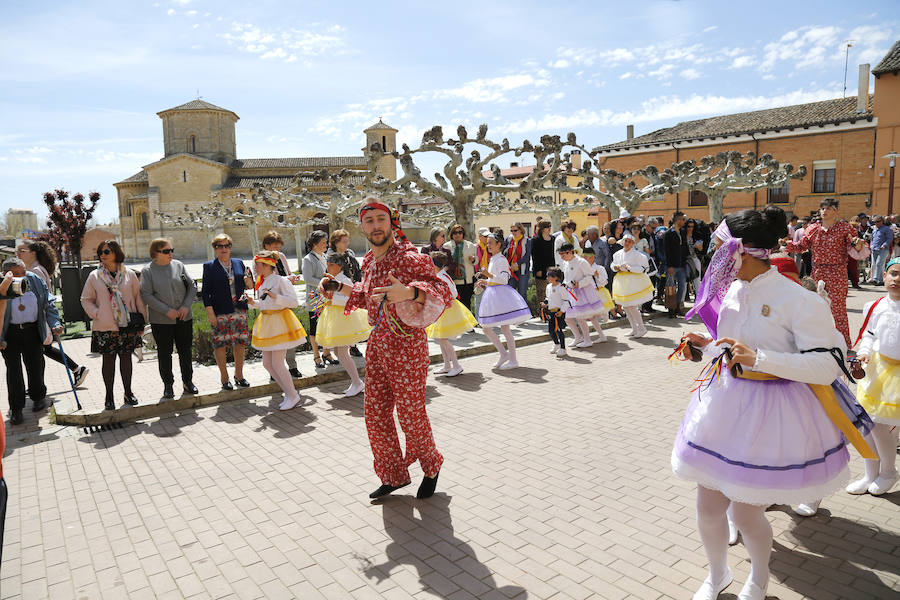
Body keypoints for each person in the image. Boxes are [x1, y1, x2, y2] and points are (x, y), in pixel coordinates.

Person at [673, 206, 875, 600]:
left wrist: (761, 360)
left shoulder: (797, 300)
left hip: (773, 414)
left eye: (718, 248)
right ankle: (717, 575)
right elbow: (732, 345)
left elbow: (829, 364)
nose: (713, 257)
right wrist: (707, 347)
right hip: (723, 407)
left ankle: (759, 577)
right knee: (709, 508)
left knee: (747, 512)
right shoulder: (732, 290)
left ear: (740, 251)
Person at [319, 200, 452, 500]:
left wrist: (410, 291)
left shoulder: (408, 257)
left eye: (381, 219)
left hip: (407, 345)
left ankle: (431, 465)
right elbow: (370, 297)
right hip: (378, 345)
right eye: (369, 221)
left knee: (410, 414)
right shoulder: (368, 261)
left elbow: (443, 291)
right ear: (362, 226)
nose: (376, 226)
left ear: (392, 222)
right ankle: (393, 474)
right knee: (375, 415)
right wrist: (339, 289)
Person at [847, 258, 900, 496]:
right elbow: (869, 334)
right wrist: (864, 353)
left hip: (896, 378)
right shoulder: (875, 305)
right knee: (865, 425)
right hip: (876, 372)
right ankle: (870, 473)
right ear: (885, 276)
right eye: (893, 273)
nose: (896, 279)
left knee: (883, 427)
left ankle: (888, 471)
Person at [784, 199, 860, 346]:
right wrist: (785, 245)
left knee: (838, 311)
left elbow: (855, 247)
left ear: (836, 211)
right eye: (822, 208)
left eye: (829, 208)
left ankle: (844, 345)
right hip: (818, 272)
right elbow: (801, 246)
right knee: (814, 307)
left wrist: (858, 244)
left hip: (838, 271)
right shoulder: (813, 229)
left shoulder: (845, 228)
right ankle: (815, 342)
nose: (824, 211)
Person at [81, 241, 145, 410]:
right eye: (100, 251)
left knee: (126, 359)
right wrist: (97, 314)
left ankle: (128, 393)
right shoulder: (94, 276)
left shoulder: (130, 274)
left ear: (116, 252)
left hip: (127, 325)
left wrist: (141, 321)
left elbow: (138, 298)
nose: (103, 254)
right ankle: (109, 396)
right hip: (105, 325)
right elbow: (85, 299)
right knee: (108, 361)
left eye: (107, 251)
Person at [16, 240, 89, 387]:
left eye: (21, 251)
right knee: (45, 349)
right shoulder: (36, 269)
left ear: (33, 253)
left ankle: (40, 385)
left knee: (42, 350)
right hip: (41, 318)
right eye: (16, 252)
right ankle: (75, 369)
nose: (18, 254)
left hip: (39, 319)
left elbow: (42, 297)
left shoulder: (35, 271)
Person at [244, 251, 307, 410]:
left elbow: (293, 302)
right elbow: (264, 304)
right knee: (267, 363)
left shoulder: (280, 281)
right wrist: (253, 302)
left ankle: (293, 395)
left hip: (280, 322)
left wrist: (275, 297)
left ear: (267, 265)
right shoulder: (262, 281)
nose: (255, 268)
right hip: (267, 323)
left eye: (257, 265)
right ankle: (289, 392)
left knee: (277, 363)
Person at [1, 258, 61, 423]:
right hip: (10, 333)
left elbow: (48, 303)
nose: (22, 277)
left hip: (32, 330)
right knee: (13, 371)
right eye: (16, 274)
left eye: (23, 272)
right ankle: (16, 408)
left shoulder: (35, 280)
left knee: (35, 364)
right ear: (6, 274)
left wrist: (55, 323)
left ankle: (38, 397)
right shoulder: (2, 285)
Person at [140, 238, 198, 400]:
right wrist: (167, 311)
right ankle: (168, 386)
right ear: (156, 253)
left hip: (184, 317)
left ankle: (188, 382)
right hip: (161, 321)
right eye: (166, 251)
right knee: (164, 354)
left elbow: (192, 286)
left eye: (172, 250)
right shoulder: (148, 271)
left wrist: (186, 306)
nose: (171, 253)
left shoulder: (179, 266)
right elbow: (146, 295)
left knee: (185, 352)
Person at [316, 251, 371, 397]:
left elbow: (350, 299)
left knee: (342, 353)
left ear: (340, 266)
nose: (328, 267)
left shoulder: (345, 280)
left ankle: (357, 382)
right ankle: (355, 381)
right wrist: (322, 298)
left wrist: (331, 300)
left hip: (344, 318)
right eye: (327, 264)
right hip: (334, 317)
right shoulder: (329, 279)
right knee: (338, 352)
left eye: (331, 264)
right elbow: (328, 296)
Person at [201, 234, 251, 391]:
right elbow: (205, 292)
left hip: (239, 309)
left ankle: (239, 375)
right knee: (220, 344)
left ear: (230, 247)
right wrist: (210, 313)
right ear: (215, 249)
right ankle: (224, 378)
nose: (223, 249)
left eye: (226, 246)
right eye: (219, 246)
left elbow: (248, 285)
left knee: (240, 343)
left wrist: (249, 281)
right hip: (220, 311)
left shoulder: (238, 263)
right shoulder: (209, 266)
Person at [476, 230, 532, 369]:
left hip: (501, 295)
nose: (488, 245)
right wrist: (485, 281)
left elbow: (504, 279)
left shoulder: (501, 259)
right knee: (488, 328)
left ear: (499, 244)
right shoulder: (494, 258)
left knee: (503, 329)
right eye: (487, 243)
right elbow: (495, 279)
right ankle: (504, 354)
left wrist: (487, 274)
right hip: (494, 294)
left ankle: (512, 359)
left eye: (490, 243)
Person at [257, 230, 303, 378]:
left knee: (288, 337)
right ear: (266, 245)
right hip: (270, 304)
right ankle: (275, 369)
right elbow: (260, 280)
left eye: (279, 246)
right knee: (273, 339)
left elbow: (286, 273)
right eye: (274, 246)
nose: (278, 249)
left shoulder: (281, 257)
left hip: (283, 300)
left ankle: (292, 366)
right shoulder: (259, 260)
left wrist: (291, 278)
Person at [425, 252, 477, 377]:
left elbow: (453, 293)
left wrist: (441, 299)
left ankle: (456, 365)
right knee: (440, 339)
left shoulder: (442, 277)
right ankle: (447, 365)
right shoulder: (440, 275)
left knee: (443, 339)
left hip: (448, 310)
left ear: (435, 265)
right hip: (444, 310)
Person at [302, 231, 338, 369]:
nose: (326, 244)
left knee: (327, 326)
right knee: (315, 328)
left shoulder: (324, 256)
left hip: (326, 298)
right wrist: (326, 283)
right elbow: (307, 279)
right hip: (315, 299)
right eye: (323, 242)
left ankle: (327, 353)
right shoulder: (308, 259)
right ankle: (316, 356)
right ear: (315, 244)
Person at [559, 242, 605, 347]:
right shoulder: (566, 263)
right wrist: (565, 286)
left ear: (570, 252)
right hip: (572, 292)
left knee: (583, 317)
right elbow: (567, 278)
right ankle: (579, 338)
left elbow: (589, 276)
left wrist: (579, 284)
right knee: (570, 317)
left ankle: (588, 340)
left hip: (584, 292)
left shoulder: (581, 262)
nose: (562, 257)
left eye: (563, 255)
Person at [329, 229, 364, 358]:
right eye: (344, 241)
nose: (347, 243)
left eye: (347, 240)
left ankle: (353, 345)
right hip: (339, 290)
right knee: (343, 320)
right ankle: (342, 348)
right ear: (336, 242)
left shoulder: (350, 253)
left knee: (352, 318)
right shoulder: (331, 256)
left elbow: (356, 269)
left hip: (352, 287)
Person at [611, 234, 653, 338]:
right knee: (626, 306)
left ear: (633, 243)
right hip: (622, 282)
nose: (627, 243)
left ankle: (642, 328)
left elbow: (644, 269)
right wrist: (615, 267)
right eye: (625, 241)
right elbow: (613, 264)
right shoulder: (617, 254)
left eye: (629, 241)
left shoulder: (638, 255)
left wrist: (629, 268)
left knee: (632, 306)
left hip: (633, 282)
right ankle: (634, 329)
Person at [442, 224, 477, 311]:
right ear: (451, 234)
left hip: (467, 281)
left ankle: (468, 324)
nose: (457, 235)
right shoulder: (446, 247)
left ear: (463, 234)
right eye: (455, 232)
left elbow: (476, 261)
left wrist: (473, 259)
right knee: (456, 306)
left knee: (467, 304)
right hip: (453, 281)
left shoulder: (470, 245)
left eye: (460, 232)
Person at [664, 211, 688, 317]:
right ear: (677, 220)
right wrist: (669, 265)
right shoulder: (668, 233)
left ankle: (678, 307)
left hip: (682, 265)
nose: (684, 221)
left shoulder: (683, 232)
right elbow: (666, 251)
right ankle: (671, 309)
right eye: (682, 219)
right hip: (672, 266)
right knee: (670, 288)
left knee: (682, 288)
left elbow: (685, 248)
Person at [542, 267, 570, 357]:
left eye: (548, 276)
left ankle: (563, 348)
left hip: (558, 312)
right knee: (551, 330)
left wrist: (562, 311)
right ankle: (556, 344)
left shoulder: (561, 287)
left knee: (559, 330)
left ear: (555, 277)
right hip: (551, 312)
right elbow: (548, 298)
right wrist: (545, 303)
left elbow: (566, 301)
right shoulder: (548, 287)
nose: (547, 278)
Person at [505, 222, 532, 301]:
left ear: (521, 230)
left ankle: (524, 313)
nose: (513, 232)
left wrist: (517, 263)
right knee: (511, 293)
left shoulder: (527, 240)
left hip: (522, 270)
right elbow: (504, 252)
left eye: (515, 230)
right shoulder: (509, 239)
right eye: (512, 231)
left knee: (522, 293)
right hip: (511, 270)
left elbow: (527, 256)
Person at [531, 221, 555, 305]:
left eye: (549, 226)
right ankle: (542, 313)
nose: (549, 228)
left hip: (552, 270)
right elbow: (535, 256)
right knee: (542, 292)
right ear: (541, 228)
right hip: (541, 270)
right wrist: (538, 269)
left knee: (553, 291)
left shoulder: (553, 239)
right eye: (546, 226)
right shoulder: (535, 240)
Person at [868, 215, 894, 285]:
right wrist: (871, 245)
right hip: (874, 249)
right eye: (874, 222)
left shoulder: (886, 229)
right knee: (875, 264)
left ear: (882, 221)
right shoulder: (874, 229)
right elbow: (872, 238)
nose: (876, 223)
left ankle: (875, 279)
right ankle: (880, 280)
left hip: (883, 249)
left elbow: (890, 238)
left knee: (879, 263)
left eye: (878, 221)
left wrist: (885, 244)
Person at [685, 219, 704, 301]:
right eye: (688, 226)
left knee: (697, 279)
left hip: (695, 258)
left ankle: (698, 299)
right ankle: (683, 299)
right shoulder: (683, 235)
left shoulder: (696, 235)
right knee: (685, 280)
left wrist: (698, 246)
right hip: (686, 259)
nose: (690, 228)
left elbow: (701, 249)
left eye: (692, 226)